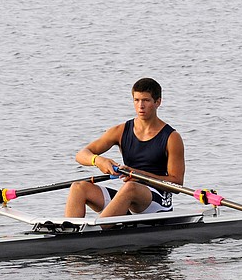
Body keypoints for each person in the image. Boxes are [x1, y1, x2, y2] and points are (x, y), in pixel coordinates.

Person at [65, 78, 185, 218]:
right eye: (136, 100)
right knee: (78, 187)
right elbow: (81, 154)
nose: (140, 106)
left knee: (130, 187)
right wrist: (98, 161)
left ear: (157, 102)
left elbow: (177, 183)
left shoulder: (172, 137)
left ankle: (97, 232)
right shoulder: (121, 131)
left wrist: (139, 174)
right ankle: (68, 234)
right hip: (130, 198)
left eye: (146, 100)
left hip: (158, 201)